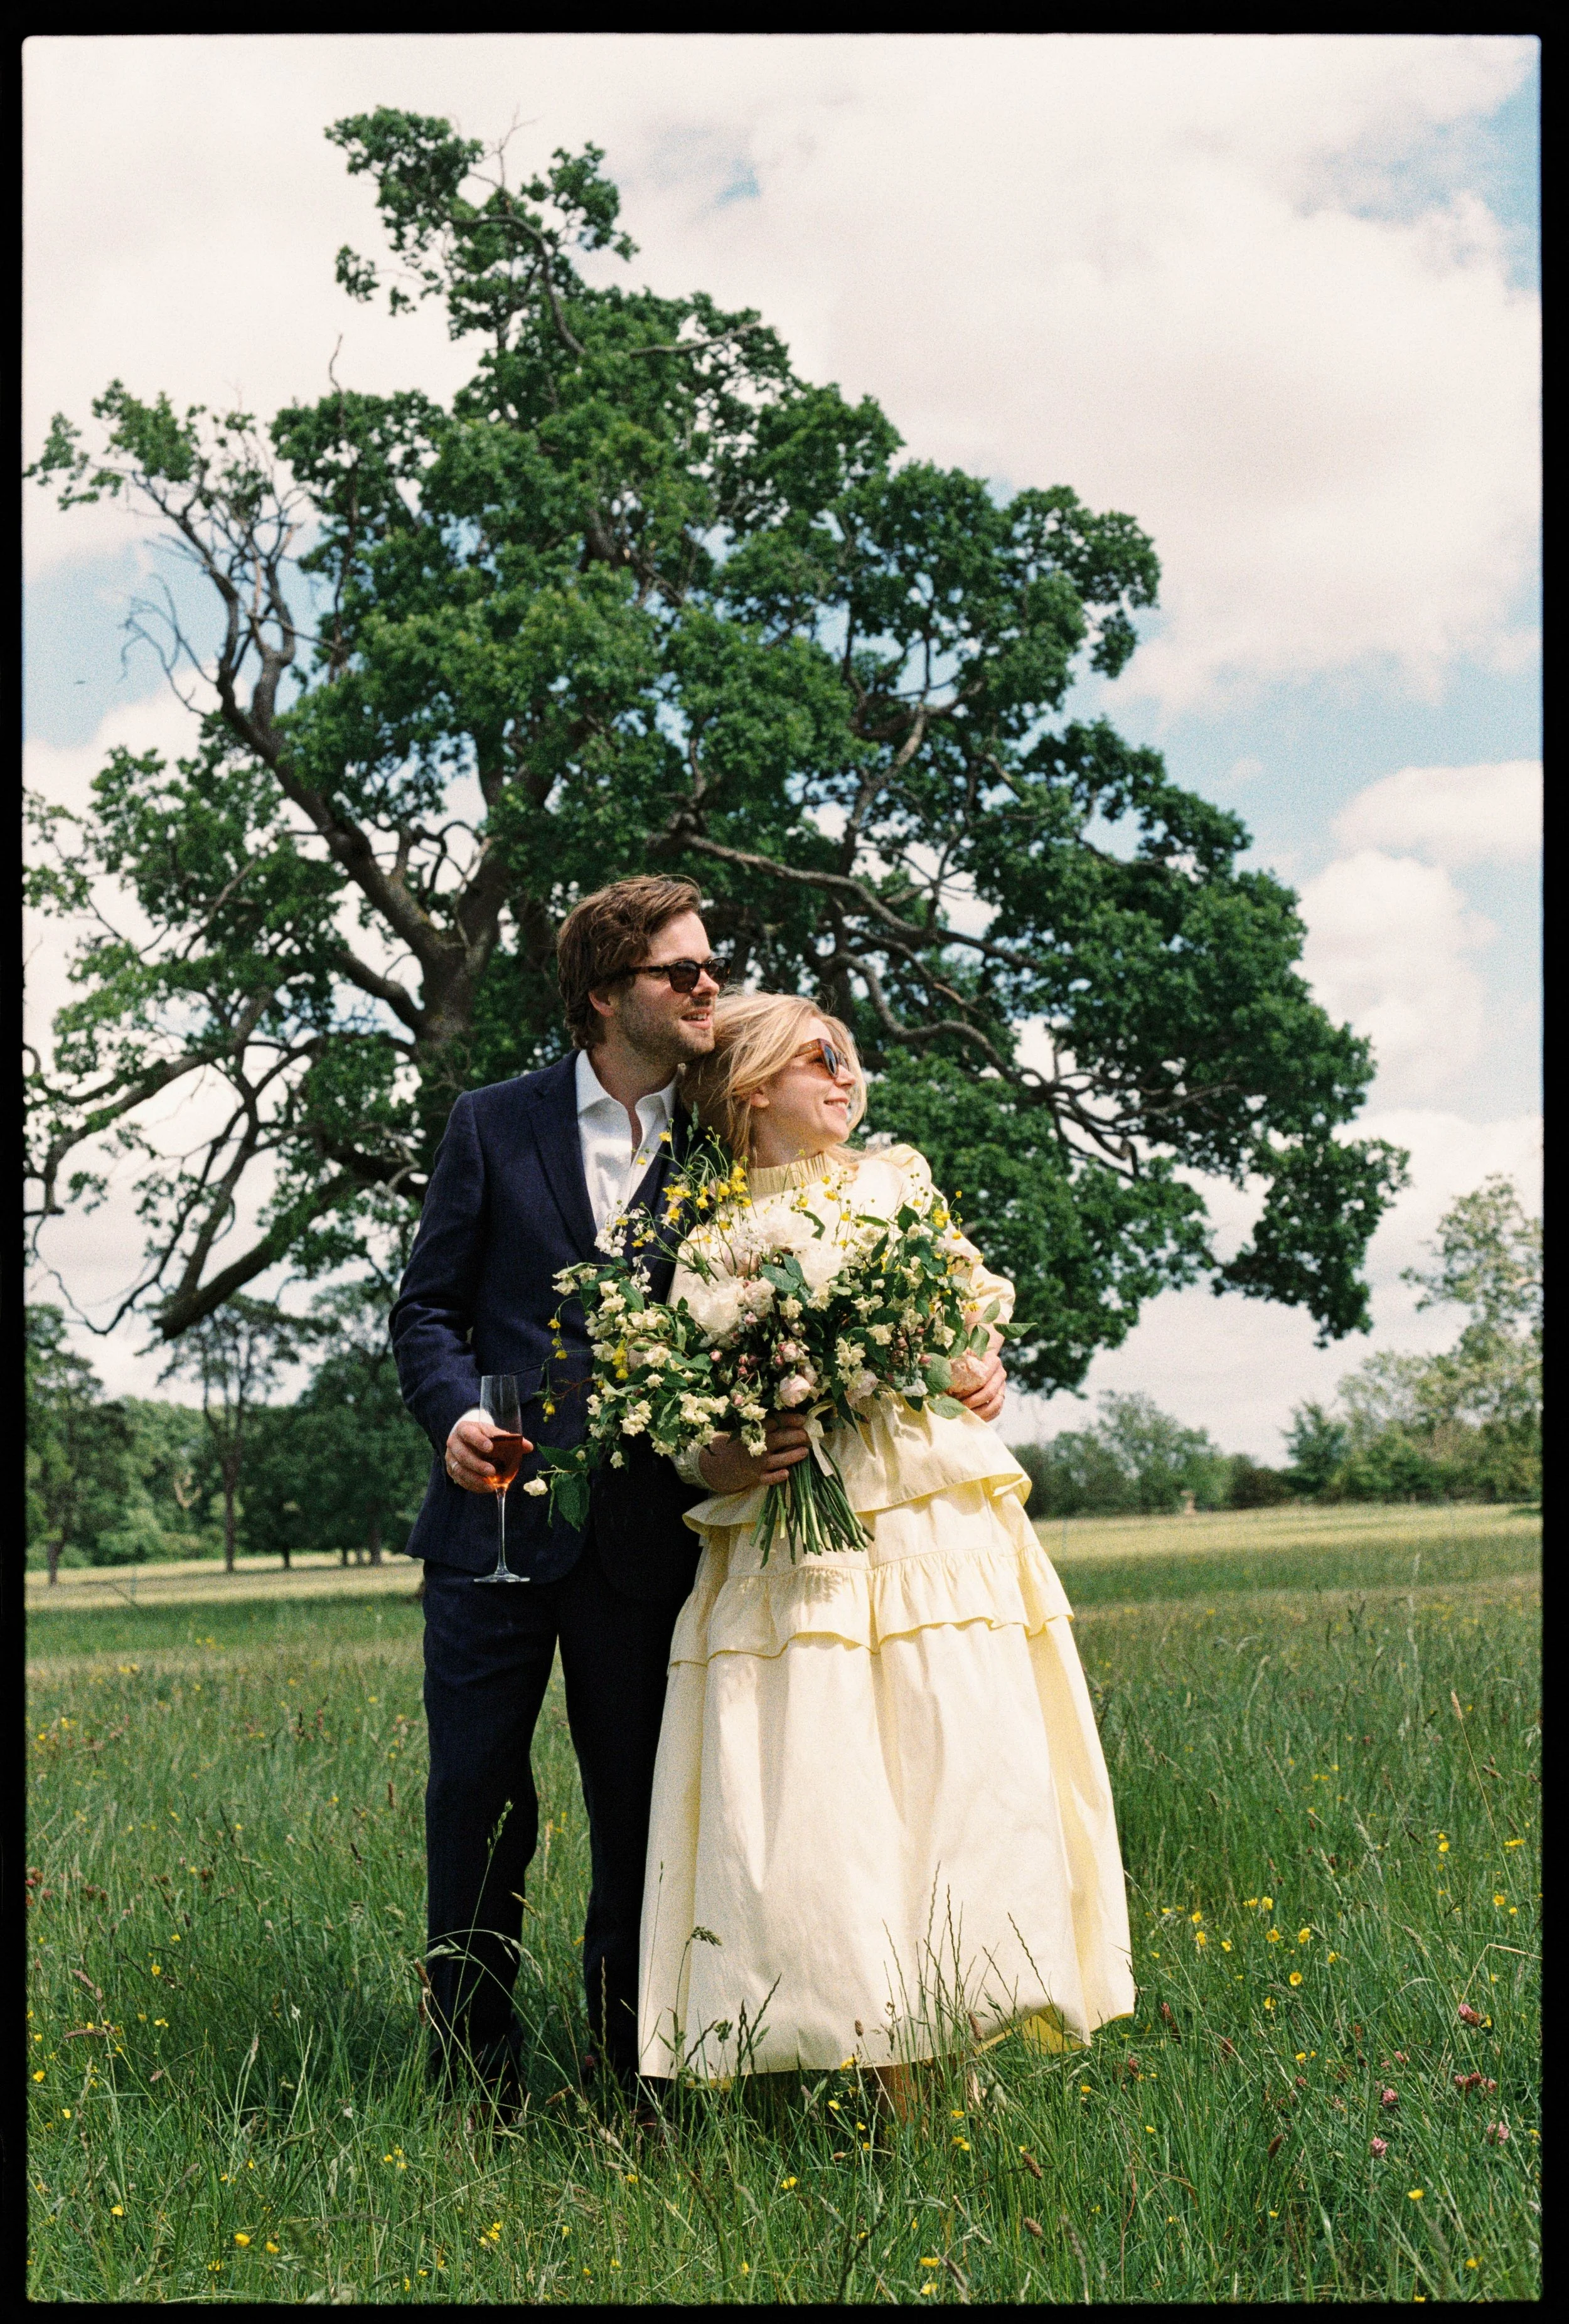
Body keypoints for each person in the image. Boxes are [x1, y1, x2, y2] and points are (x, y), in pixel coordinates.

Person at [390, 879, 1008, 2107]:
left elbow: (809, 1264)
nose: (708, 988)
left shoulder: (724, 1138)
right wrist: (457, 1410)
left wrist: (934, 1358)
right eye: (683, 973)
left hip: (645, 1537)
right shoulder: (490, 1123)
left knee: (639, 1816)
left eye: (712, 968)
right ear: (604, 994)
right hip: (491, 1528)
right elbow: (424, 1309)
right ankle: (470, 2079)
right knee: (475, 1798)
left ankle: (635, 2084)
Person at [636, 993, 1136, 2111]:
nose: (850, 1076)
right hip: (799, 1545)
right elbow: (683, 1427)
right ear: (756, 1084)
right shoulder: (709, 1240)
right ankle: (875, 2059)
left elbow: (968, 1325)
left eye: (854, 1059)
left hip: (926, 1517)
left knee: (963, 1773)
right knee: (825, 1794)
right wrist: (734, 1448)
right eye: (826, 1056)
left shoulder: (895, 1183)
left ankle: (961, 2047)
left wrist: (978, 1361)